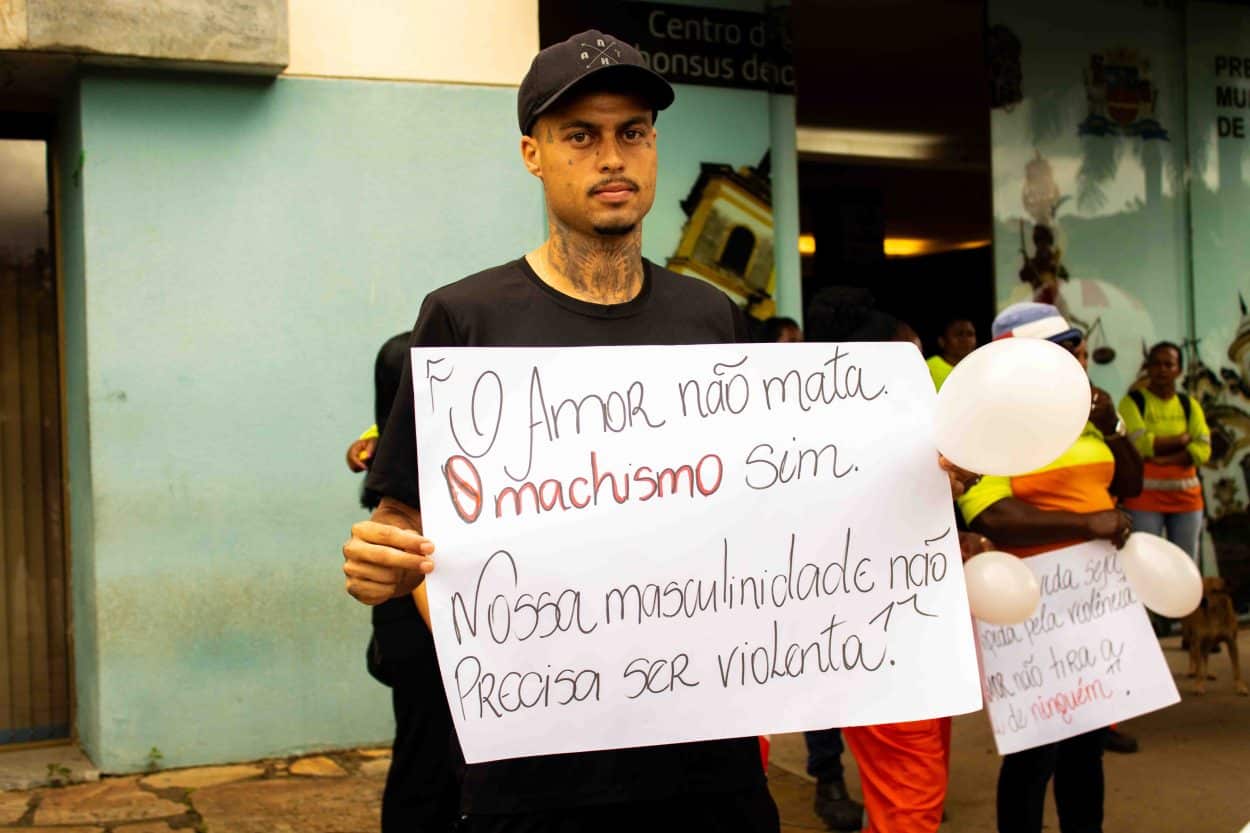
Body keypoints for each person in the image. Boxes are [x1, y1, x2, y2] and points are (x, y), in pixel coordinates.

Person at [341, 31, 781, 832]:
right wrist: (390, 564)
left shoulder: (711, 318)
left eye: (633, 132)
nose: (612, 156)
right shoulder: (464, 319)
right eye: (580, 135)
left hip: (707, 753)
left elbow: (758, 503)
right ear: (532, 154)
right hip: (536, 768)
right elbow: (401, 519)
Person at [802, 287, 990, 833]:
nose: (924, 381)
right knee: (911, 798)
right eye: (907, 364)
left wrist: (951, 532)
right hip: (879, 647)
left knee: (906, 792)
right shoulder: (833, 445)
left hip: (919, 642)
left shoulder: (907, 439)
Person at [958, 302, 1143, 833]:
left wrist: (1112, 427)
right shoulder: (990, 426)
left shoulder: (1087, 413)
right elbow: (993, 513)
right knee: (1034, 755)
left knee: (1086, 746)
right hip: (1027, 608)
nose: (1075, 363)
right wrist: (1086, 526)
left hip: (1090, 601)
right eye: (1062, 353)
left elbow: (1128, 486)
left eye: (1075, 351)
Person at [344, 330, 461, 833]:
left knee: (423, 758)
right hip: (428, 628)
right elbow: (420, 565)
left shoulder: (386, 453)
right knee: (428, 766)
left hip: (413, 632)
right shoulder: (422, 469)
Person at [1118, 341, 1211, 565]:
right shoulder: (1133, 403)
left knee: (1185, 564)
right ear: (1147, 367)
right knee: (1147, 565)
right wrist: (1181, 440)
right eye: (1156, 364)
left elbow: (1203, 450)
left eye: (1168, 364)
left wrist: (1161, 457)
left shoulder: (1189, 405)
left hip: (1187, 501)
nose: (1162, 369)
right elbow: (1138, 445)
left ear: (1178, 370)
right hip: (1143, 500)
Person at [926, 318, 977, 392]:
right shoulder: (928, 368)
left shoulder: (982, 365)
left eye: (970, 334)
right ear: (942, 341)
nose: (965, 339)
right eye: (959, 334)